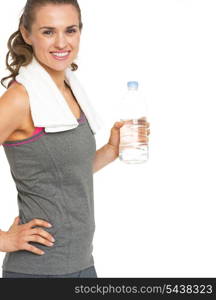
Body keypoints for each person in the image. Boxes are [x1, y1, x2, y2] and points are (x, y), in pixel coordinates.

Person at [0, 0, 150, 278]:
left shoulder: (68, 88)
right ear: (26, 34)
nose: (61, 43)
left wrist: (111, 148)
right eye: (48, 32)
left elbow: (64, 173)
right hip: (37, 273)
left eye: (70, 30)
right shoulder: (20, 99)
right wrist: (3, 240)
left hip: (82, 265)